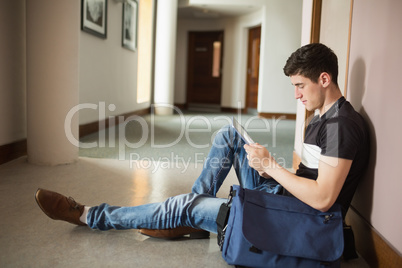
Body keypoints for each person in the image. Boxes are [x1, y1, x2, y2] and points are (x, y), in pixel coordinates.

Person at [35, 43, 370, 239]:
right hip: (286, 200)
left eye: (300, 85)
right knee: (229, 134)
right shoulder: (322, 116)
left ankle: (89, 215)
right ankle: (193, 221)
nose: (296, 94)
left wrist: (269, 166)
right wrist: (271, 170)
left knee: (185, 205)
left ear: (324, 79)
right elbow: (309, 179)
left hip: (302, 223)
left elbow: (324, 200)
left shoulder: (342, 125)